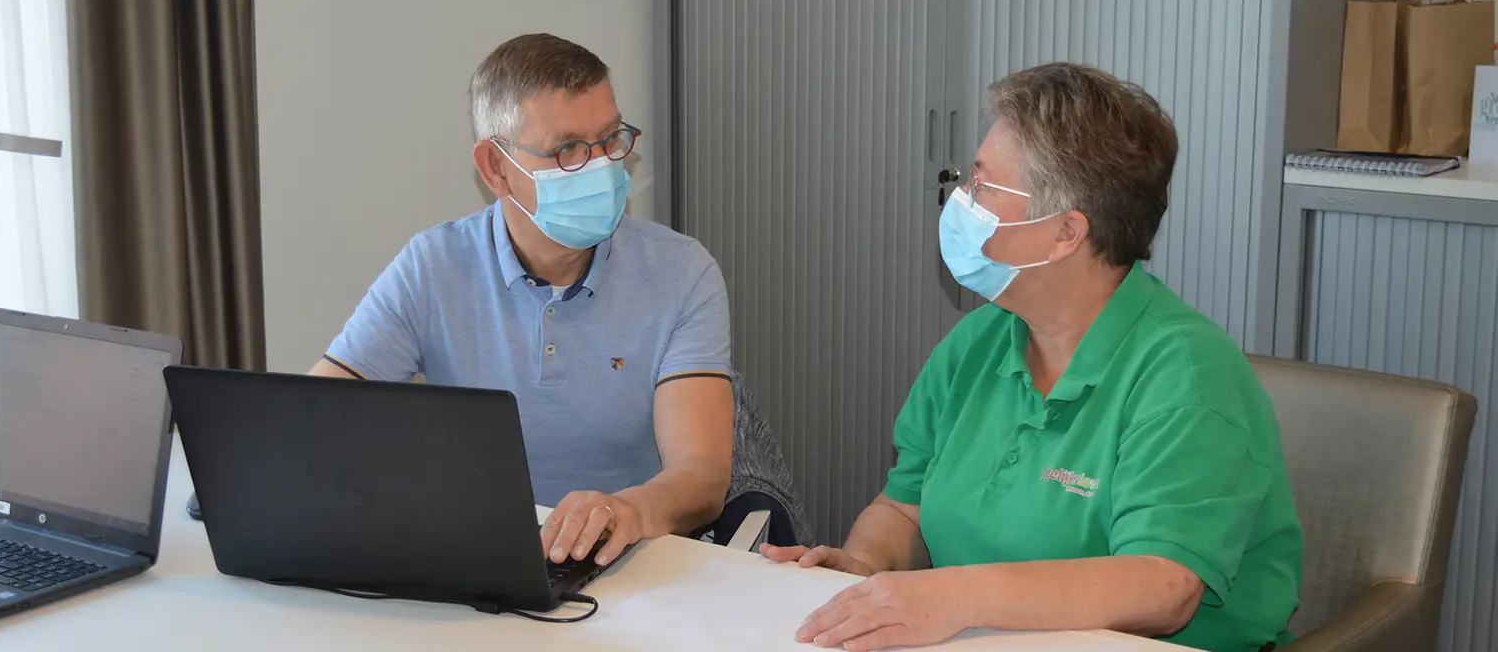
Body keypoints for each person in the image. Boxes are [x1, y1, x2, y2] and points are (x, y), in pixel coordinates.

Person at [763, 63, 1301, 652]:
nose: (961, 201)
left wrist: (954, 596)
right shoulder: (978, 342)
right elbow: (905, 506)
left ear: (1066, 233)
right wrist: (864, 569)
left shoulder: (1187, 377)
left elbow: (1163, 587)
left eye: (984, 185)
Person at [312, 33, 734, 568]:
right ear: (494, 168)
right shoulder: (433, 265)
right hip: (472, 558)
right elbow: (316, 418)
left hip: (630, 565)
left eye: (610, 139)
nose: (604, 165)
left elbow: (701, 476)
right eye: (568, 150)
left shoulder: (681, 271)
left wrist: (625, 510)